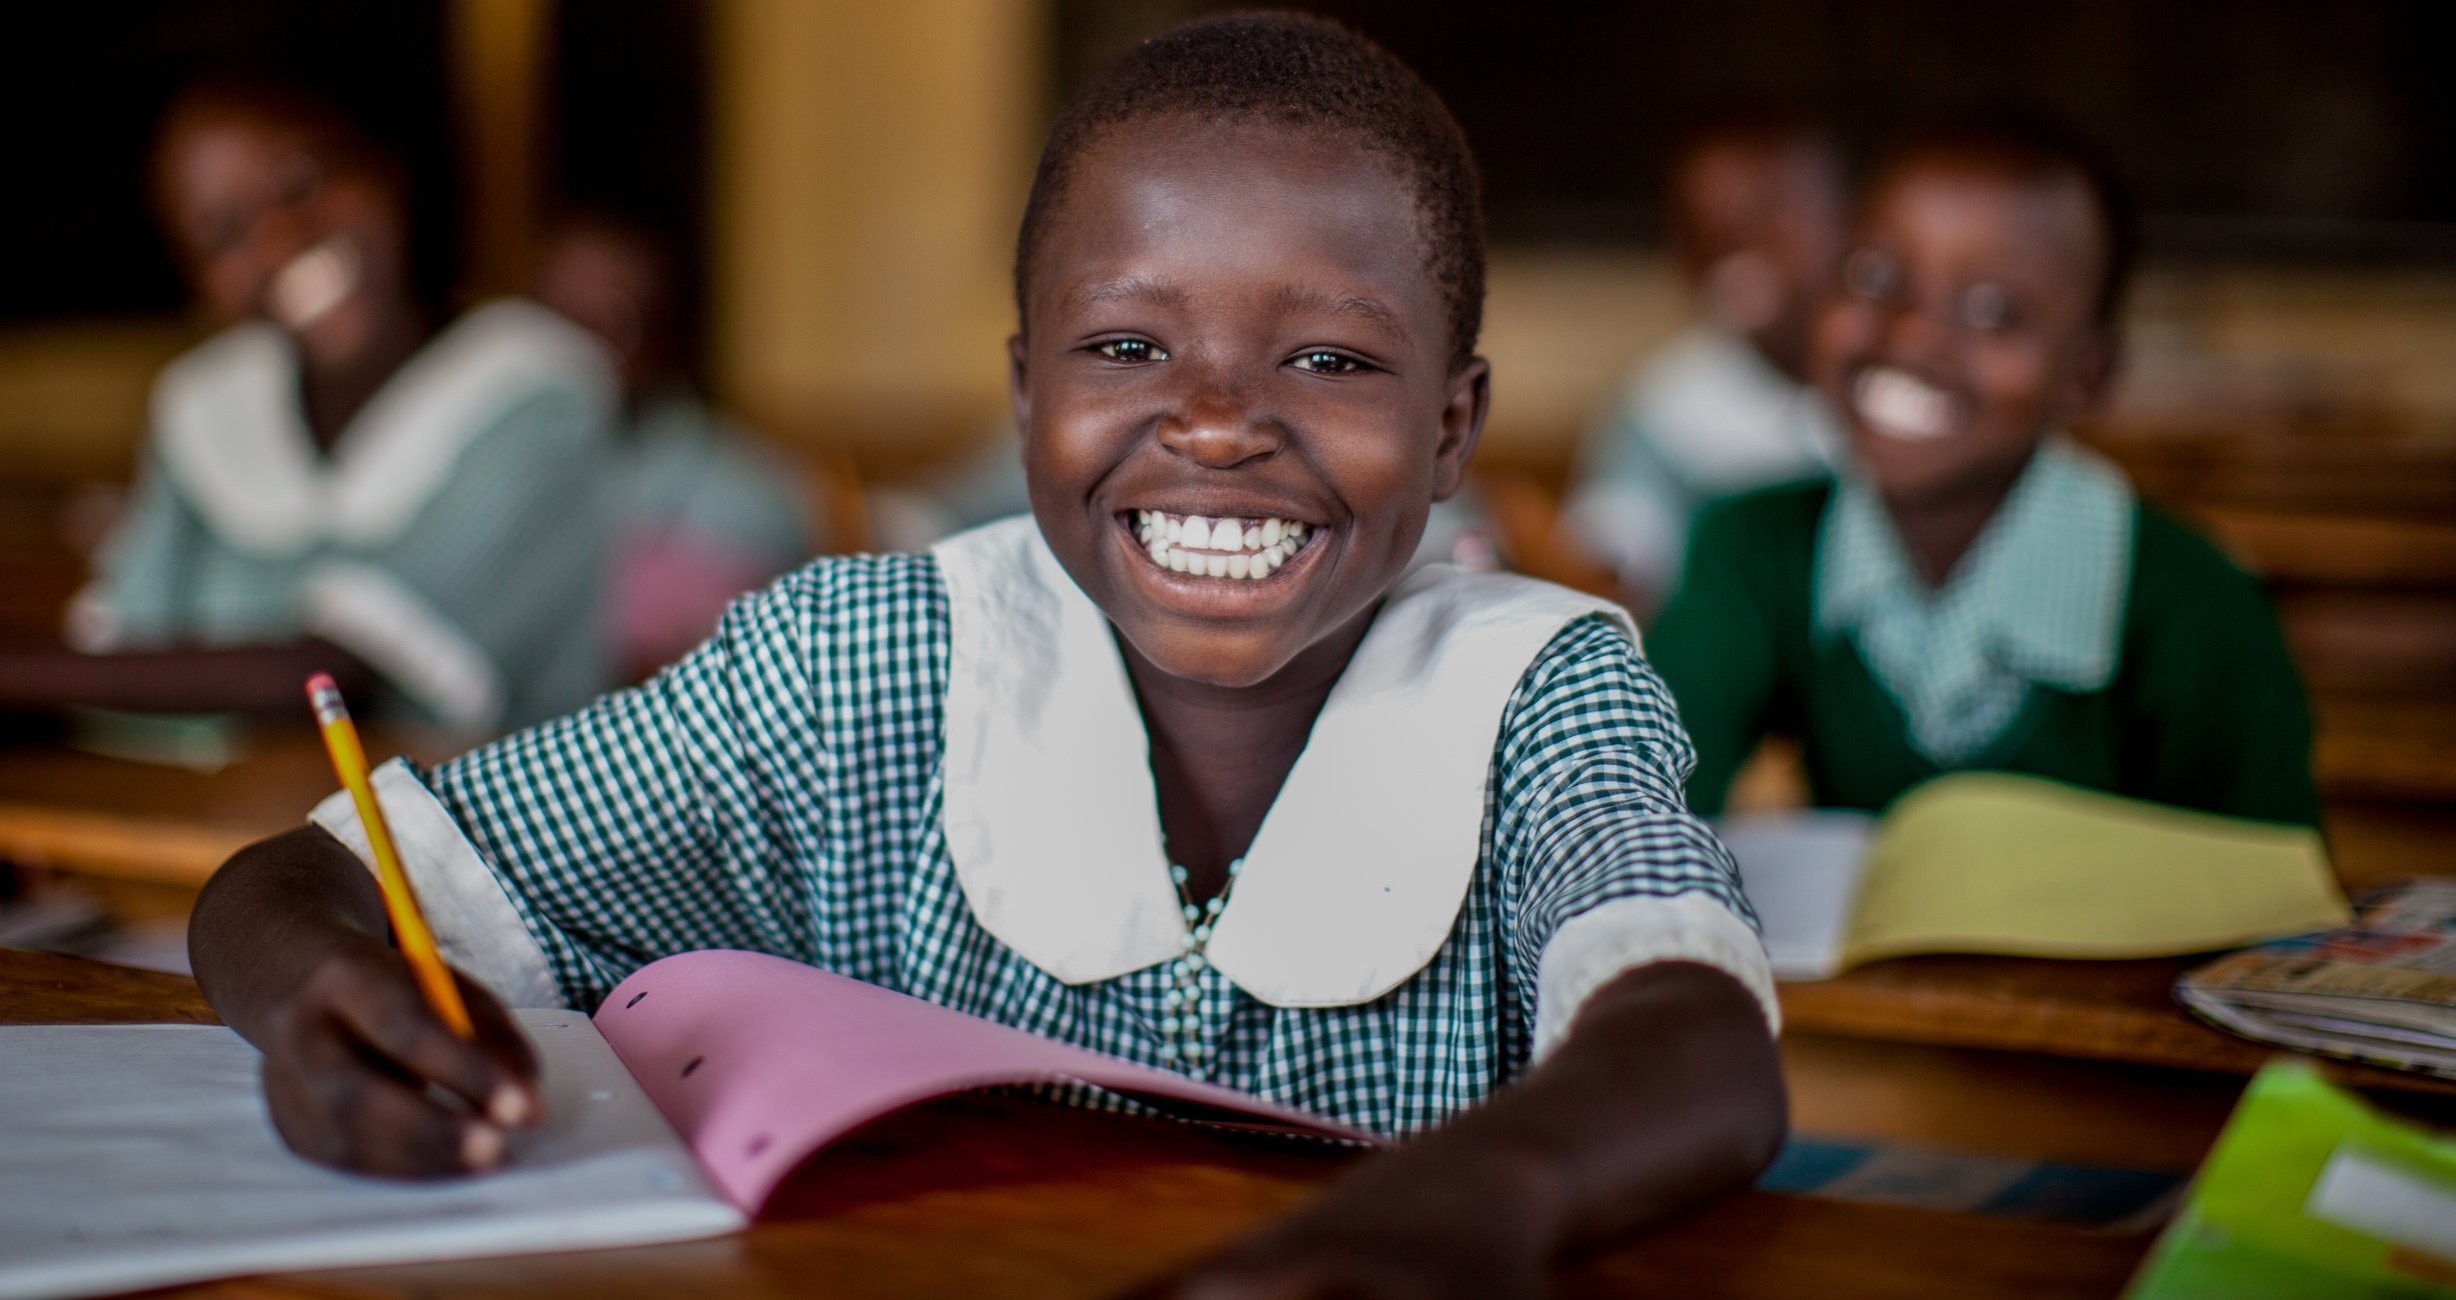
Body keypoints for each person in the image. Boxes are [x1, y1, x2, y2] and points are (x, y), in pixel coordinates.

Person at [189, 16, 1783, 1296]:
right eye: (1126, 346)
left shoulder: (1535, 689)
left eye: (1329, 357)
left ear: (1451, 428)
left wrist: (1462, 1212)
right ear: (1026, 397)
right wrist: (329, 996)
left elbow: (1691, 1035)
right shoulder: (853, 666)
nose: (1220, 420)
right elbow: (302, 881)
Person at [0, 79, 617, 751]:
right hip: (219, 848)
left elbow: (333, 676)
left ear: (387, 169)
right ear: (198, 284)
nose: (279, 240)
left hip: (484, 879)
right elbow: (121, 652)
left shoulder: (536, 391)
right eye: (223, 232)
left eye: (302, 182)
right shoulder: (204, 404)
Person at [1648, 118, 2321, 827]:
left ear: (2088, 376)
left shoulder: (2191, 600)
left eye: (1995, 311)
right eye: (1874, 276)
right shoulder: (1755, 546)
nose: (1910, 335)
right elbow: (1639, 804)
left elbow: (2269, 896)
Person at [1563, 114, 1848, 609]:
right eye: (1708, 234)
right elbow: (1615, 571)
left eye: (1770, 223)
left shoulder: (1894, 386)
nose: (1737, 257)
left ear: (1843, 223)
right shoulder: (1661, 408)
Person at [531, 211, 818, 680]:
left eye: (612, 322)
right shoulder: (504, 466)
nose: (572, 350)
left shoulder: (747, 504)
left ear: (672, 336)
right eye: (554, 320)